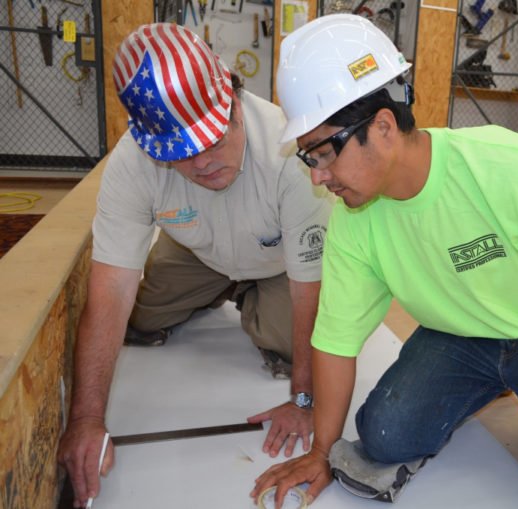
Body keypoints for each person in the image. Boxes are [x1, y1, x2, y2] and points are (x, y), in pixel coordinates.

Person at [252, 14, 518, 509]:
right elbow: (335, 340)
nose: (319, 177)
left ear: (381, 127)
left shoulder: (508, 170)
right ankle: (491, 381)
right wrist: (321, 451)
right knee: (382, 437)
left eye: (322, 152)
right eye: (307, 157)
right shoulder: (355, 219)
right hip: (459, 334)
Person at [57, 23, 334, 507]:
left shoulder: (291, 155)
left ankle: (248, 292)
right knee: (141, 318)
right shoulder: (130, 166)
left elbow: (309, 295)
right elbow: (109, 297)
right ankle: (220, 286)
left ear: (230, 93)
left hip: (276, 263)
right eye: (179, 153)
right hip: (195, 252)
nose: (201, 162)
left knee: (288, 341)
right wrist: (85, 421)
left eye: (211, 138)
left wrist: (304, 400)